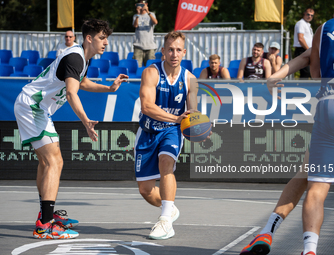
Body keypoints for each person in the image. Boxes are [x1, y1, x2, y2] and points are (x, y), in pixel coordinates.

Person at [14, 19, 128, 239]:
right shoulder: (76, 56)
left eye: (106, 38)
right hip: (33, 106)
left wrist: (109, 88)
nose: (106, 43)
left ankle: (45, 215)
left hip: (34, 106)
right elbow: (71, 93)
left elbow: (81, 83)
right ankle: (45, 225)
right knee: (54, 161)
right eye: (102, 38)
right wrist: (85, 121)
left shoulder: (81, 58)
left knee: (47, 162)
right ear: (89, 38)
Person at [240, 48, 312, 255]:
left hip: (329, 111)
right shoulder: (324, 32)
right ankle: (309, 248)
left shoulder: (324, 33)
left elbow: (305, 57)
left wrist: (275, 76)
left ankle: (270, 233)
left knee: (307, 178)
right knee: (314, 184)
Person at [134, 31, 198, 240]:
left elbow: (193, 112)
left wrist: (197, 126)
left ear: (184, 52)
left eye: (178, 49)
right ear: (163, 51)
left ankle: (165, 222)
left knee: (166, 163)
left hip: (171, 132)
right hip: (148, 131)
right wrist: (178, 118)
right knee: (145, 190)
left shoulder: (191, 79)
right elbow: (146, 107)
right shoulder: (151, 73)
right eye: (170, 49)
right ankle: (169, 208)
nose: (174, 53)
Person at [301, 6, 334, 255]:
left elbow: (315, 72)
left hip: (329, 103)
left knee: (317, 187)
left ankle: (309, 249)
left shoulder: (323, 28)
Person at [132, 0, 158, 67]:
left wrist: (148, 12)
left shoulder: (151, 14)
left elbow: (155, 22)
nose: (141, 6)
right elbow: (135, 25)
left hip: (150, 47)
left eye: (143, 4)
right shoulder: (135, 16)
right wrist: (138, 14)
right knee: (137, 67)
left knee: (151, 68)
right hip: (138, 46)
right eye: (140, 4)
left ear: (146, 4)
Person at [293, 8, 314, 78]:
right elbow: (300, 38)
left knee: (310, 72)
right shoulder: (301, 23)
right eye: (308, 14)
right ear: (304, 14)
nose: (310, 16)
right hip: (302, 50)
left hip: (306, 50)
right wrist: (308, 50)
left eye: (312, 15)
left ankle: (309, 88)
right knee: (306, 72)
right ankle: (301, 88)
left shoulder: (307, 24)